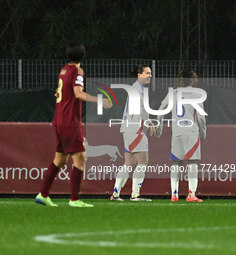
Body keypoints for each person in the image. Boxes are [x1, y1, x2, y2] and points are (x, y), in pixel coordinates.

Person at [35, 42, 112, 207]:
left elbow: (59, 91)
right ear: (83, 56)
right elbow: (78, 93)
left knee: (60, 160)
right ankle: (75, 200)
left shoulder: (64, 70)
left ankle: (43, 194)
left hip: (59, 119)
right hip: (69, 121)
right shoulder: (77, 71)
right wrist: (100, 100)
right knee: (80, 159)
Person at [156, 69, 206, 202]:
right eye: (196, 77)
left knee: (176, 163)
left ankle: (174, 194)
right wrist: (203, 132)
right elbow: (201, 117)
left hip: (177, 132)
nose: (197, 80)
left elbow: (161, 108)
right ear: (192, 79)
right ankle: (191, 194)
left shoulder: (173, 93)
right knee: (192, 163)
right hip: (191, 132)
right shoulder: (197, 94)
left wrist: (159, 127)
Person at [110, 65, 155, 202]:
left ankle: (116, 194)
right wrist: (149, 122)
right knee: (143, 161)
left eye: (150, 73)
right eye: (147, 73)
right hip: (135, 129)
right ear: (139, 75)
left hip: (130, 128)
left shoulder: (136, 88)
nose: (150, 76)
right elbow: (140, 108)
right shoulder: (136, 89)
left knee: (129, 163)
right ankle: (135, 195)